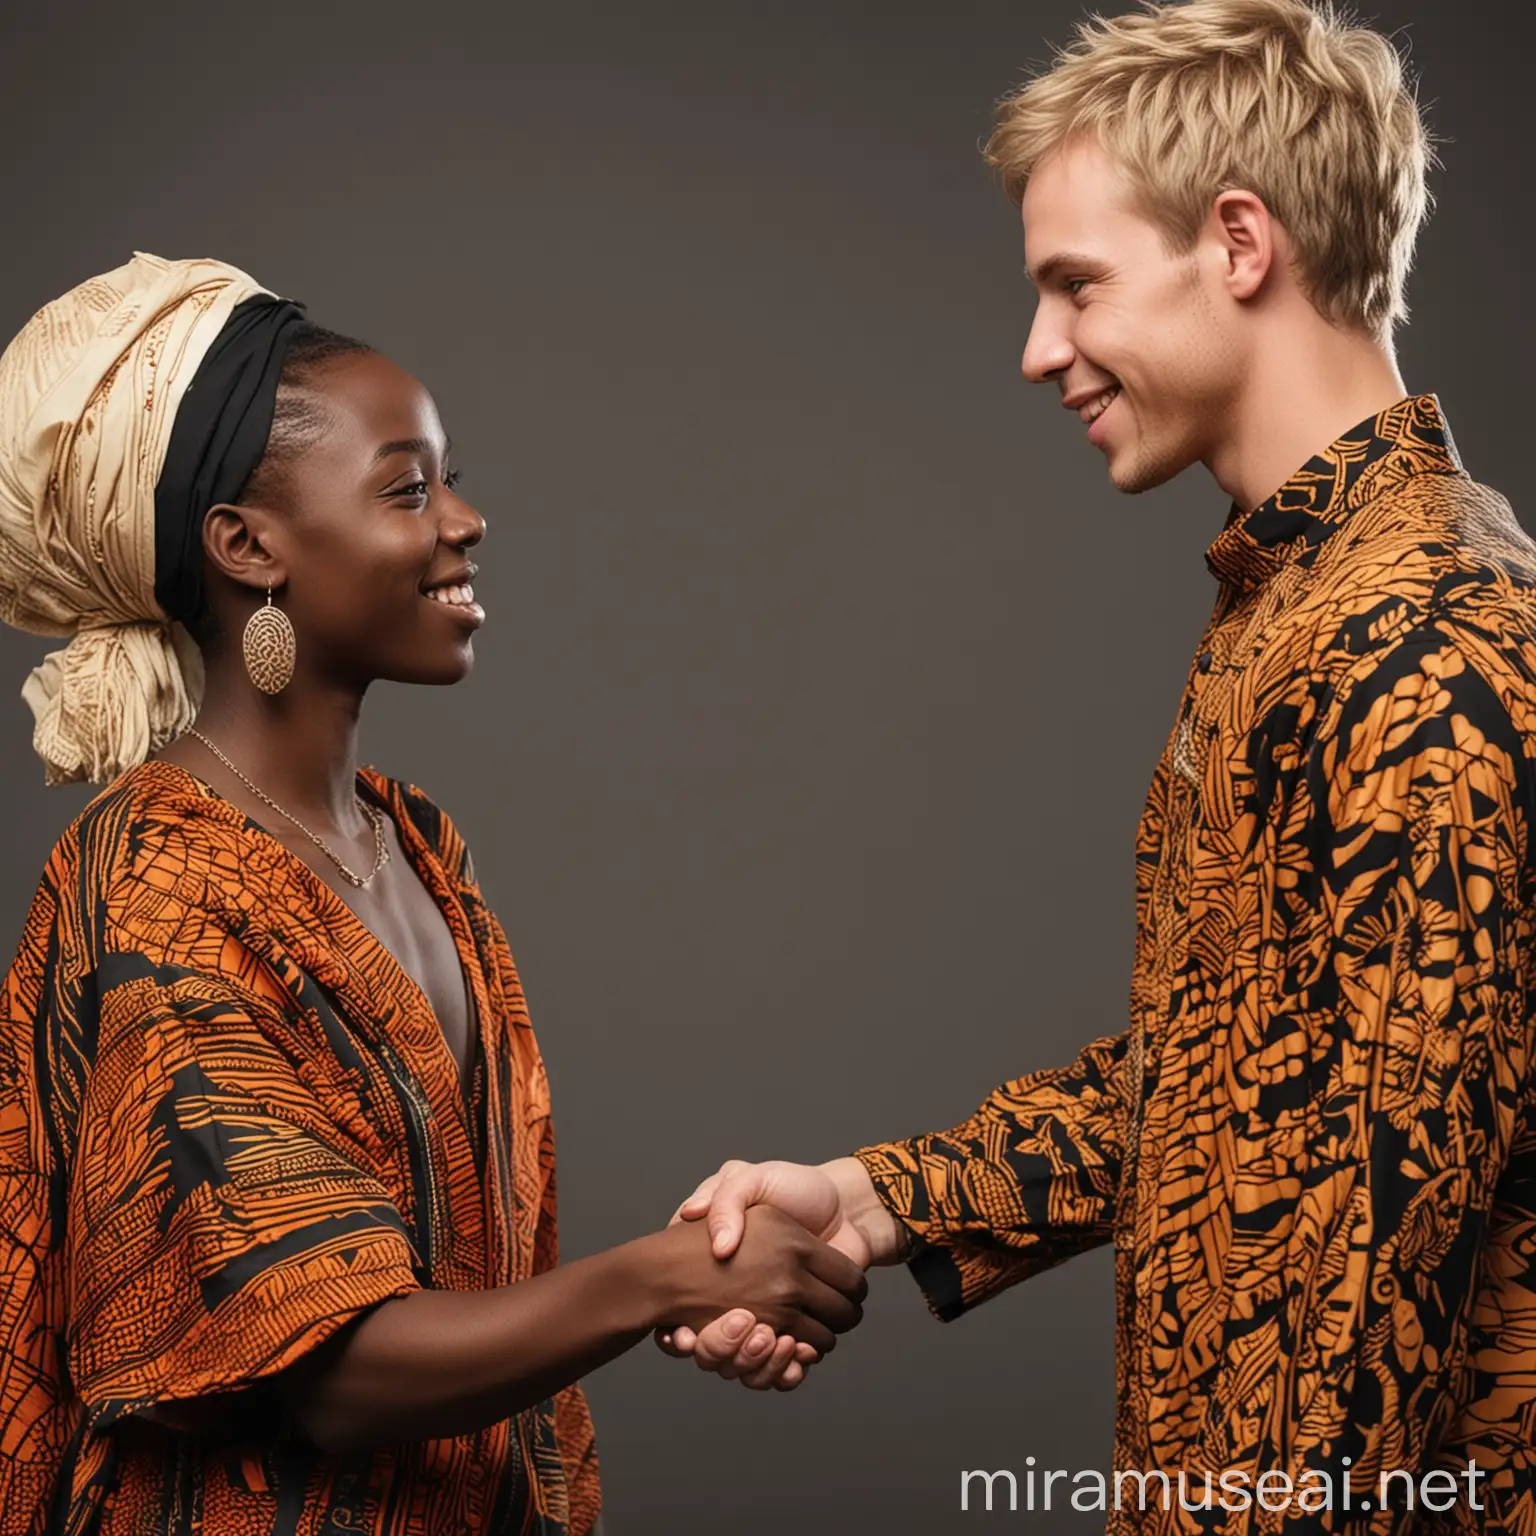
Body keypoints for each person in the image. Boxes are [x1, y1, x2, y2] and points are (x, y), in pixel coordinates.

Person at [660, 0, 1536, 1529]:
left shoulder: (1431, 630)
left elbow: (1389, 1236)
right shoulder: (1304, 601)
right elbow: (1260, 1083)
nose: (1037, 350)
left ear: (1241, 243)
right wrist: (871, 1205)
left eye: (1076, 286)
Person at [0, 254, 865, 1536]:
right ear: (247, 546)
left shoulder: (418, 848)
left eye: (451, 477)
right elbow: (327, 1364)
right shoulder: (156, 886)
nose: (464, 520)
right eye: (409, 487)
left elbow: (475, 1286)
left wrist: (698, 1286)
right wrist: (659, 1282)